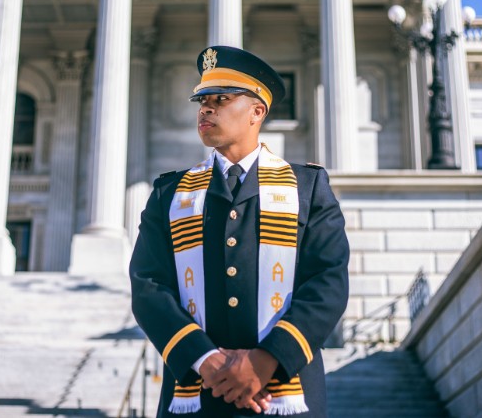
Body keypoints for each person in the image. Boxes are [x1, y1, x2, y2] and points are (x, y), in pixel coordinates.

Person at [130, 45, 349, 417]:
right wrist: (206, 361)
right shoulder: (170, 192)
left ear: (257, 111)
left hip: (284, 389)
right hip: (197, 389)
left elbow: (328, 281)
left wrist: (268, 359)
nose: (206, 109)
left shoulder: (306, 187)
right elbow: (148, 285)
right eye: (202, 100)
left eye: (221, 98)